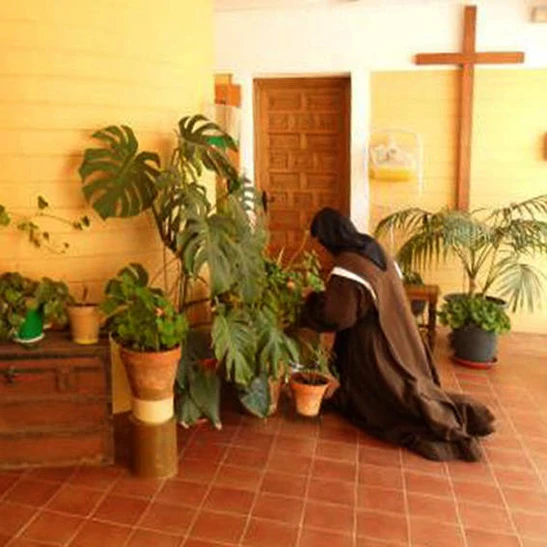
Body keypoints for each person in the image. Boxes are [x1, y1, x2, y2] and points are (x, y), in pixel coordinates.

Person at [301, 207, 495, 461]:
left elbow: (338, 316)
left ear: (330, 236)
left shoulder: (349, 265)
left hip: (373, 342)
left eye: (321, 240)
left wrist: (310, 304)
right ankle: (464, 413)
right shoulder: (373, 249)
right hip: (400, 331)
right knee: (410, 383)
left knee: (394, 397)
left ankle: (448, 421)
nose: (322, 247)